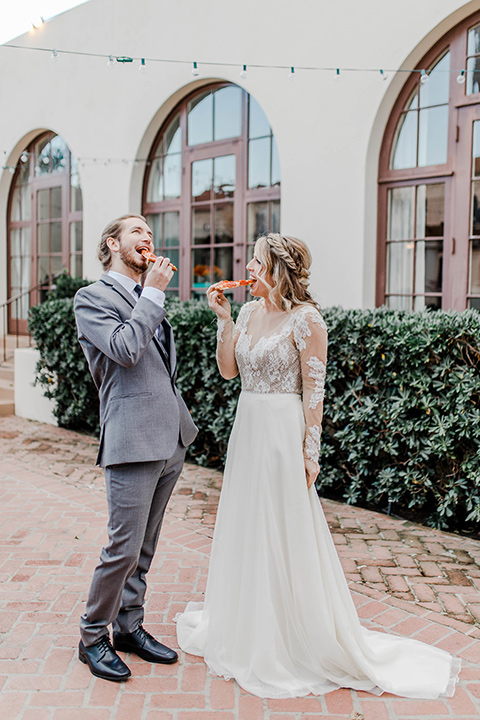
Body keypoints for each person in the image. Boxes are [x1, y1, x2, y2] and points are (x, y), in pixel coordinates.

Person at [175, 233, 460, 699]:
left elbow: (315, 393)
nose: (247, 266)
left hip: (283, 436)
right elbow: (229, 371)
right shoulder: (246, 311)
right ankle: (246, 625)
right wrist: (223, 321)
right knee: (248, 526)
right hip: (248, 430)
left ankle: (290, 637)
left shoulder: (308, 320)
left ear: (277, 270)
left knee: (284, 529)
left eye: (257, 261)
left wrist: (311, 452)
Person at [74, 214, 197, 681]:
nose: (147, 239)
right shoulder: (92, 298)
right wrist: (155, 294)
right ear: (112, 243)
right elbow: (125, 349)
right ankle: (91, 636)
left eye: (150, 233)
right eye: (136, 232)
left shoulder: (147, 295)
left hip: (170, 437)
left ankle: (129, 626)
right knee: (122, 548)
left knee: (145, 547)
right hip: (129, 438)